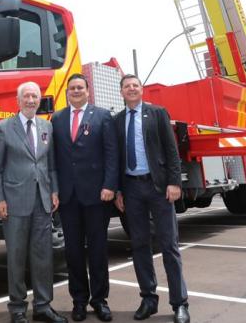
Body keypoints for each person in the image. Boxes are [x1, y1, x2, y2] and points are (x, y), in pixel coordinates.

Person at [113, 74, 189, 323]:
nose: (131, 89)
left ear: (141, 89)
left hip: (158, 188)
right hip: (131, 190)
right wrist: (119, 191)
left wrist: (174, 182)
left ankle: (180, 304)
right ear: (121, 92)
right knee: (139, 246)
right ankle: (148, 299)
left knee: (169, 246)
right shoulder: (117, 120)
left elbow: (171, 149)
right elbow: (116, 159)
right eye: (127, 86)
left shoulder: (157, 113)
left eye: (135, 85)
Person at [0, 82, 66, 323]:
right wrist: (0, 199)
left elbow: (51, 165)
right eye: (27, 96)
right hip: (14, 202)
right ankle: (17, 309)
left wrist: (54, 191)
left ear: (39, 99)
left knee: (43, 256)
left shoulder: (47, 126)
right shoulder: (4, 127)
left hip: (43, 201)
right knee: (15, 256)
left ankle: (43, 306)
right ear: (18, 100)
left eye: (35, 96)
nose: (31, 100)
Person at [52, 74, 118, 322]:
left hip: (96, 195)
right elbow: (54, 160)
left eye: (80, 87)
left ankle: (100, 300)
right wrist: (55, 189)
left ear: (88, 91)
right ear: (67, 92)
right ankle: (78, 301)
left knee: (99, 251)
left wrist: (110, 185)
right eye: (72, 88)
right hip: (68, 198)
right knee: (73, 252)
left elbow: (112, 154)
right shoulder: (57, 119)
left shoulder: (102, 116)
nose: (76, 91)